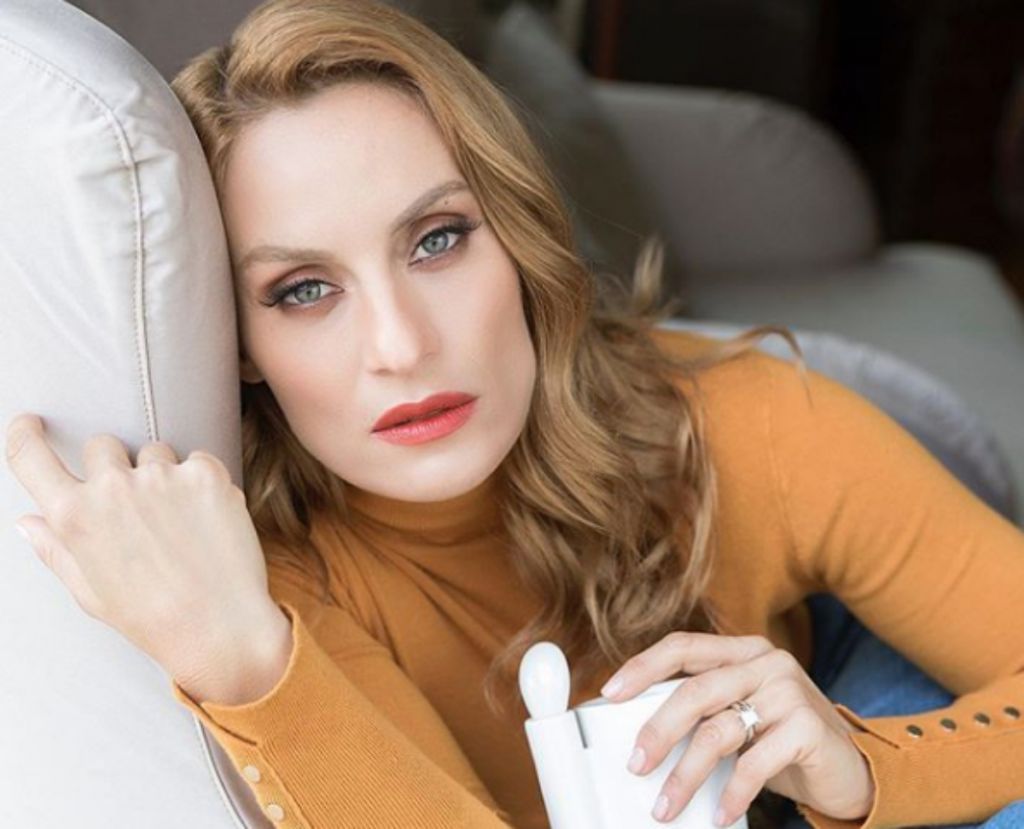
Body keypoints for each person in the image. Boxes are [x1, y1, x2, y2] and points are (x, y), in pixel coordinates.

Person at [4, 0, 1023, 827]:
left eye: (438, 239)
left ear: (521, 235)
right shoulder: (272, 575)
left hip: (820, 710)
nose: (401, 345)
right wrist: (248, 668)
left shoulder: (742, 418)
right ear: (237, 344)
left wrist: (866, 768)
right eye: (303, 290)